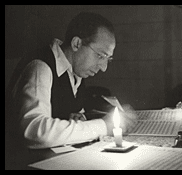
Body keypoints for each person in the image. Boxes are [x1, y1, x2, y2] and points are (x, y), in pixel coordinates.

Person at [5, 12, 137, 150]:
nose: (103, 68)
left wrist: (82, 118)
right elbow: (34, 129)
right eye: (100, 55)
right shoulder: (40, 66)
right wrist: (104, 126)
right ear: (77, 43)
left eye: (108, 59)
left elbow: (72, 115)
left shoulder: (75, 71)